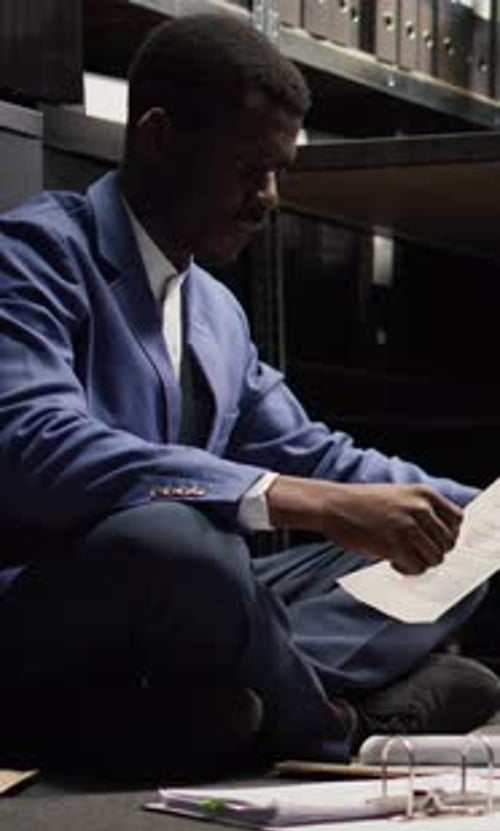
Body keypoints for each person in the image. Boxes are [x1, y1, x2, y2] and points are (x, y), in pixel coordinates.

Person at [0, 12, 498, 780]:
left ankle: (242, 703)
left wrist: (482, 516)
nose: (269, 197)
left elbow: (317, 456)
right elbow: (35, 447)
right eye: (247, 167)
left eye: (281, 171)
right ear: (158, 137)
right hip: (51, 602)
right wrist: (295, 499)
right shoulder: (33, 257)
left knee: (446, 546)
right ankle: (326, 725)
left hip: (178, 612)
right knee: (176, 540)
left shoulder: (214, 310)